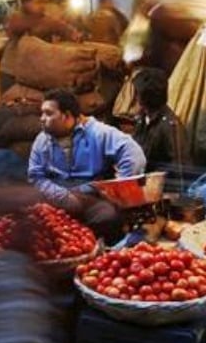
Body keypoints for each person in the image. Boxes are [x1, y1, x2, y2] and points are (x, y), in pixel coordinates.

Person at [28, 89, 145, 240]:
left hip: (90, 198)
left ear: (67, 116)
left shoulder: (100, 133)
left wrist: (117, 190)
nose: (42, 119)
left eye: (49, 113)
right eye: (42, 113)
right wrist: (62, 196)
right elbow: (36, 176)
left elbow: (134, 156)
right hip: (54, 197)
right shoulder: (42, 140)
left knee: (107, 218)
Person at [130, 67, 188, 175]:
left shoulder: (170, 126)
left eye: (137, 94)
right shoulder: (141, 120)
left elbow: (180, 167)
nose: (135, 98)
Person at [6, 0, 82, 43]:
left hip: (41, 60)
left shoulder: (48, 21)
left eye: (44, 2)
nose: (42, 5)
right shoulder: (16, 19)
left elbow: (64, 29)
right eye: (39, 2)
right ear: (26, 3)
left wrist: (74, 34)